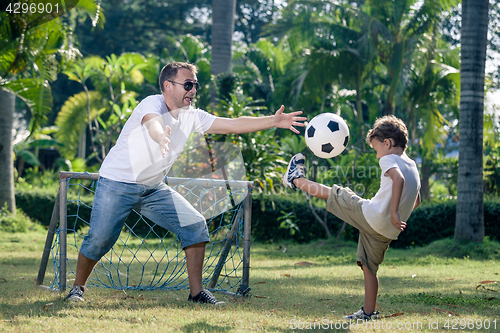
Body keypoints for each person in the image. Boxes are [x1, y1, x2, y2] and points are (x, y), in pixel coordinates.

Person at [65, 61, 306, 305]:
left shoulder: (193, 116)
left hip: (152, 188)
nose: (192, 90)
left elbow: (233, 124)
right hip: (118, 181)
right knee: (100, 239)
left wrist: (273, 121)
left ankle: (196, 294)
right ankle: (77, 288)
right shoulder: (151, 104)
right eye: (187, 84)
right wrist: (161, 137)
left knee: (195, 226)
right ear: (167, 86)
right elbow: (152, 123)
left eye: (195, 85)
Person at [282, 115, 421, 320]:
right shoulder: (413, 166)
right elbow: (417, 199)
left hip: (371, 215)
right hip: (386, 231)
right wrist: (397, 217)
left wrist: (393, 213)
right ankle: (367, 312)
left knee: (336, 194)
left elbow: (398, 179)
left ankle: (295, 178)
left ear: (387, 143)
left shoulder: (389, 158)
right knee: (369, 268)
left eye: (376, 150)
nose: (377, 156)